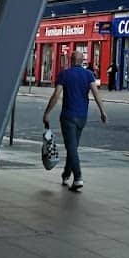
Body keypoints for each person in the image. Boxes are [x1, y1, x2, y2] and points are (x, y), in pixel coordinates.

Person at [43, 56, 107, 191]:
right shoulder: (88, 75)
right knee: (73, 147)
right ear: (81, 61)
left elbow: (56, 95)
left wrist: (47, 112)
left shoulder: (64, 74)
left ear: (71, 60)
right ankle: (66, 174)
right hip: (82, 116)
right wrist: (102, 111)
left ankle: (78, 178)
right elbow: (96, 93)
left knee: (71, 147)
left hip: (68, 116)